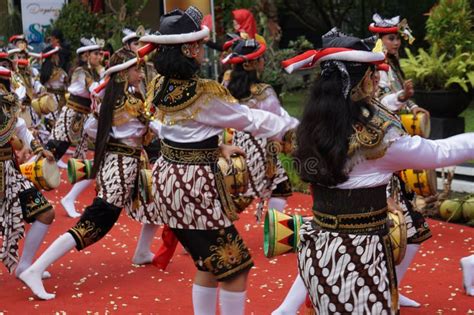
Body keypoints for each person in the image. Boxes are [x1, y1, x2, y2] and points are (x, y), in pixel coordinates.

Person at [283, 28, 474, 314]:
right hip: (360, 255)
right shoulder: (377, 138)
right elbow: (438, 153)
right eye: (371, 74)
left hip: (319, 252)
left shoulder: (311, 127)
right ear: (355, 81)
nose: (376, 78)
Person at [140, 6, 298, 315]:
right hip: (193, 186)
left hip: (168, 180)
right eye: (197, 44)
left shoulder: (160, 85)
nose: (201, 49)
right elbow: (250, 119)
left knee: (209, 263)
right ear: (188, 49)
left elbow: (168, 129)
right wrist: (294, 129)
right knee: (235, 267)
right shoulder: (204, 94)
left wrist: (214, 147)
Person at [18, 48, 157, 300]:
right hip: (122, 169)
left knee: (156, 203)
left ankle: (143, 251)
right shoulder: (129, 101)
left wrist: (116, 135)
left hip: (123, 165)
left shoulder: (115, 98)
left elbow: (93, 128)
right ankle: (36, 268)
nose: (140, 72)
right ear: (125, 73)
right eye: (136, 68)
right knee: (93, 225)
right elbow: (155, 128)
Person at [369, 14, 431, 307]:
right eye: (392, 38)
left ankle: (390, 289)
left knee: (409, 231)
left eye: (397, 38)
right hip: (378, 154)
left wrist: (414, 104)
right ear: (381, 38)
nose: (396, 43)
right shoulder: (374, 66)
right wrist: (400, 98)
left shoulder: (388, 64)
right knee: (393, 232)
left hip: (390, 153)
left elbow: (398, 100)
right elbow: (377, 104)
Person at [223, 38, 294, 217]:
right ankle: (211, 231)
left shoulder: (227, 88)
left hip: (237, 143)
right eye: (261, 58)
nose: (263, 61)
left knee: (271, 187)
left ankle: (210, 228)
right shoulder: (263, 91)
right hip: (260, 145)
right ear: (251, 64)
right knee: (270, 189)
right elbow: (278, 121)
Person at [0, 58, 56, 280]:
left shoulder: (10, 111)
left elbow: (23, 132)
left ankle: (24, 266)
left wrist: (40, 149)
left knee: (45, 213)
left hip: (11, 173)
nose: (10, 89)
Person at [46, 37, 102, 218]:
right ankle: (22, 189)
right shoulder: (81, 72)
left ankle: (69, 198)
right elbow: (95, 90)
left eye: (100, 53)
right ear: (85, 55)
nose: (99, 56)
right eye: (96, 53)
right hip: (71, 116)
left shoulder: (93, 72)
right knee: (51, 154)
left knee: (84, 164)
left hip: (85, 119)